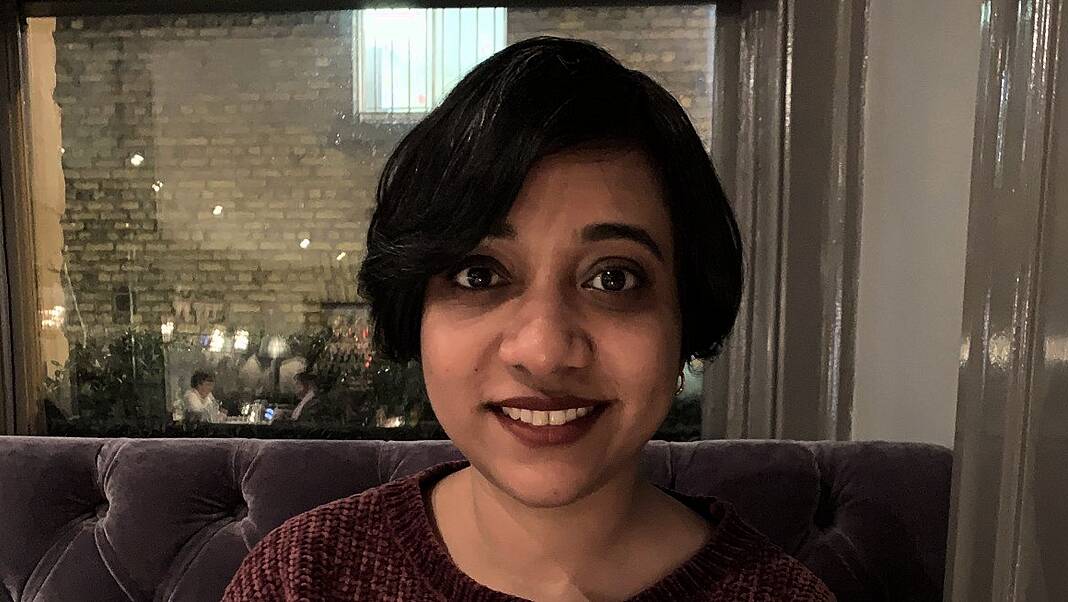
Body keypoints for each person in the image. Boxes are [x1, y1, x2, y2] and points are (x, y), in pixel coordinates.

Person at [224, 37, 833, 601]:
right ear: (416, 311)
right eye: (480, 275)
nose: (543, 351)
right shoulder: (305, 577)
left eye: (613, 278)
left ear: (685, 317)